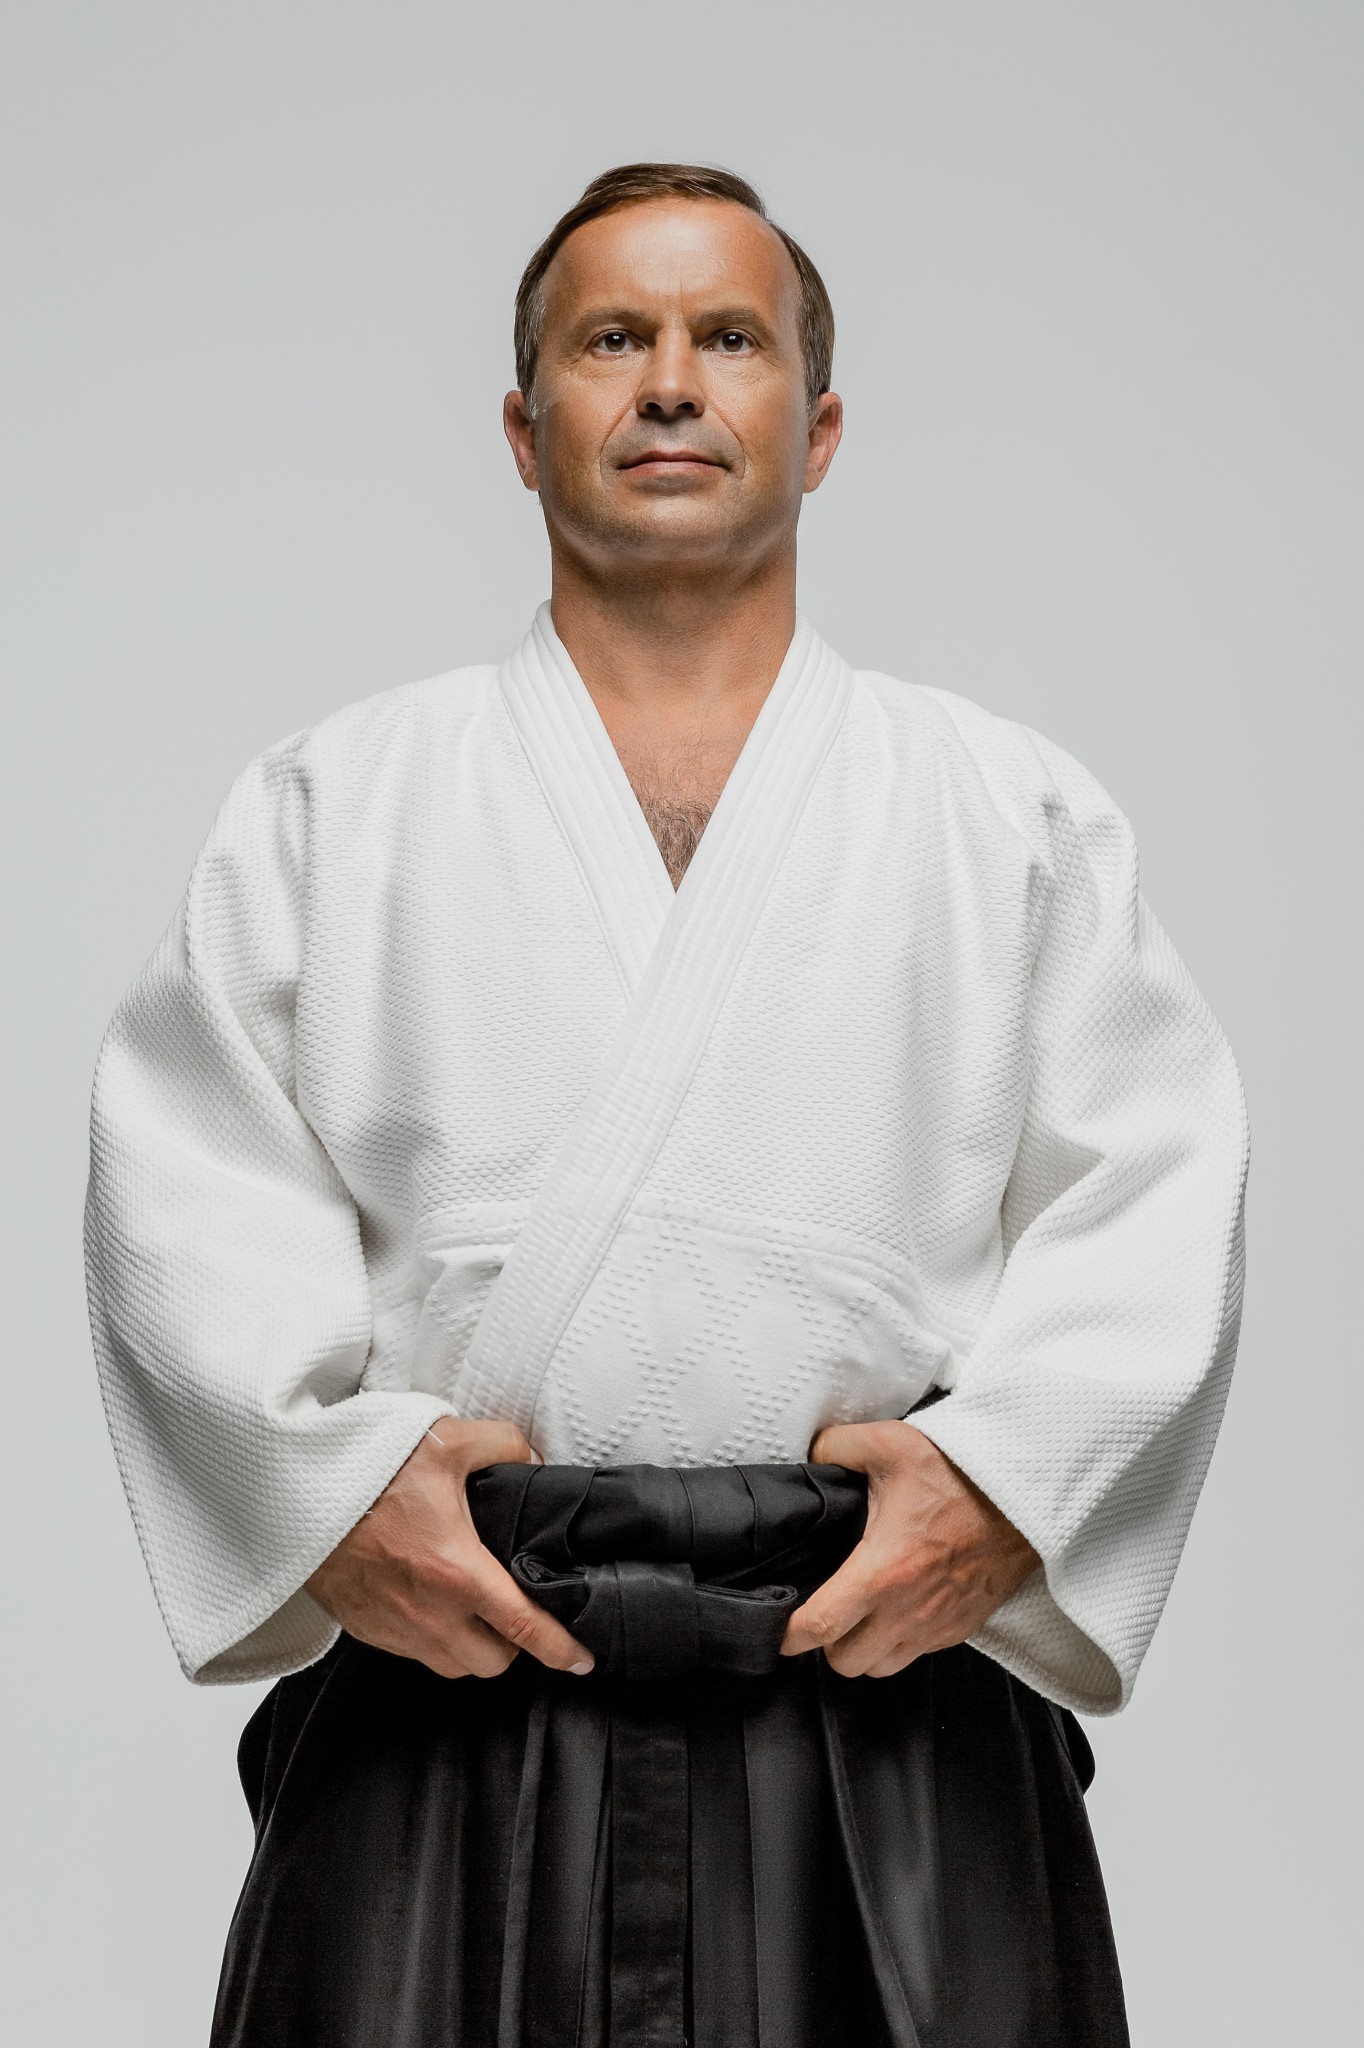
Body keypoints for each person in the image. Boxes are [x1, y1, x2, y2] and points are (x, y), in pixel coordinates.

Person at [85, 163, 1248, 2048]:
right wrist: (327, 1498)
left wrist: (1010, 1489)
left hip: (878, 1668)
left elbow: (1159, 1191)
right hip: (465, 1662)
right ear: (524, 429)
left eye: (730, 338)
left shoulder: (1005, 809)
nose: (672, 382)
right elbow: (183, 1189)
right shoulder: (338, 803)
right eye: (613, 338)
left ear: (822, 426)